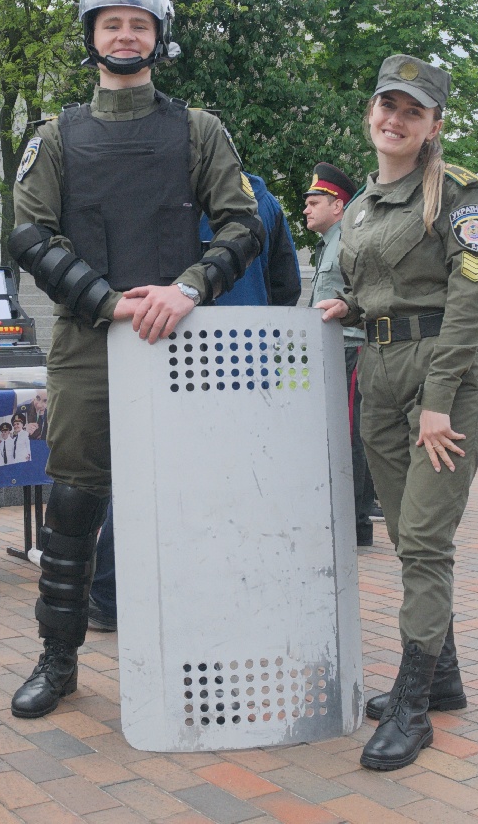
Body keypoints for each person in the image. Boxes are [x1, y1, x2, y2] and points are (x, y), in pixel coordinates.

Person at [6, 0, 263, 718]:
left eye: (138, 24)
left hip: (177, 339)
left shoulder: (198, 131)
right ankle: (58, 660)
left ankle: (199, 655)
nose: (125, 35)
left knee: (191, 503)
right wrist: (106, 302)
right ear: (91, 35)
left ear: (158, 36)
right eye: (112, 24)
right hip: (90, 343)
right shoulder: (56, 136)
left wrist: (190, 287)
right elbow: (28, 234)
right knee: (73, 505)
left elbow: (242, 224)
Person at [316, 54, 478, 771]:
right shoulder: (361, 206)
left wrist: (436, 401)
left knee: (424, 542)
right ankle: (443, 678)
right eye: (386, 105)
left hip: (439, 381)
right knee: (404, 537)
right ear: (371, 112)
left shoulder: (457, 195)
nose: (394, 120)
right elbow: (376, 284)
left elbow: (474, 301)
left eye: (412, 111)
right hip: (379, 375)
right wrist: (349, 305)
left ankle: (412, 707)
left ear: (433, 126)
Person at [87, 170, 303, 634]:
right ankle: (233, 592)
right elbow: (286, 286)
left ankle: (108, 597)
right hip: (248, 369)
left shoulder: (158, 189)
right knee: (242, 486)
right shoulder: (259, 198)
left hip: (175, 364)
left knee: (143, 481)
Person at [304, 162, 376, 547]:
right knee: (340, 432)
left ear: (338, 206)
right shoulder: (328, 243)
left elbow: (363, 294)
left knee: (350, 435)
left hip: (350, 347)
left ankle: (355, 522)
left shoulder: (348, 240)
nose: (306, 208)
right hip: (334, 349)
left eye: (314, 202)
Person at [198, 172, 301, 306]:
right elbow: (287, 284)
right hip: (257, 317)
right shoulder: (267, 203)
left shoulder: (183, 201)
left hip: (196, 317)